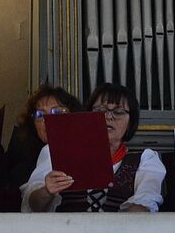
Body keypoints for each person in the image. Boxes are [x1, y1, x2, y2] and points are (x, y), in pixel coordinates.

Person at [21, 83, 164, 212]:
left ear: (130, 122)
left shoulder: (146, 159)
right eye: (101, 110)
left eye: (118, 112)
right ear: (87, 116)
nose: (108, 117)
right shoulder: (56, 151)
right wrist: (47, 191)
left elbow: (146, 201)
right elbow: (34, 205)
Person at [3, 85, 83, 195]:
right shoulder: (21, 167)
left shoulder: (86, 154)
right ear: (33, 124)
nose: (48, 120)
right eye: (40, 114)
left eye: (58, 112)